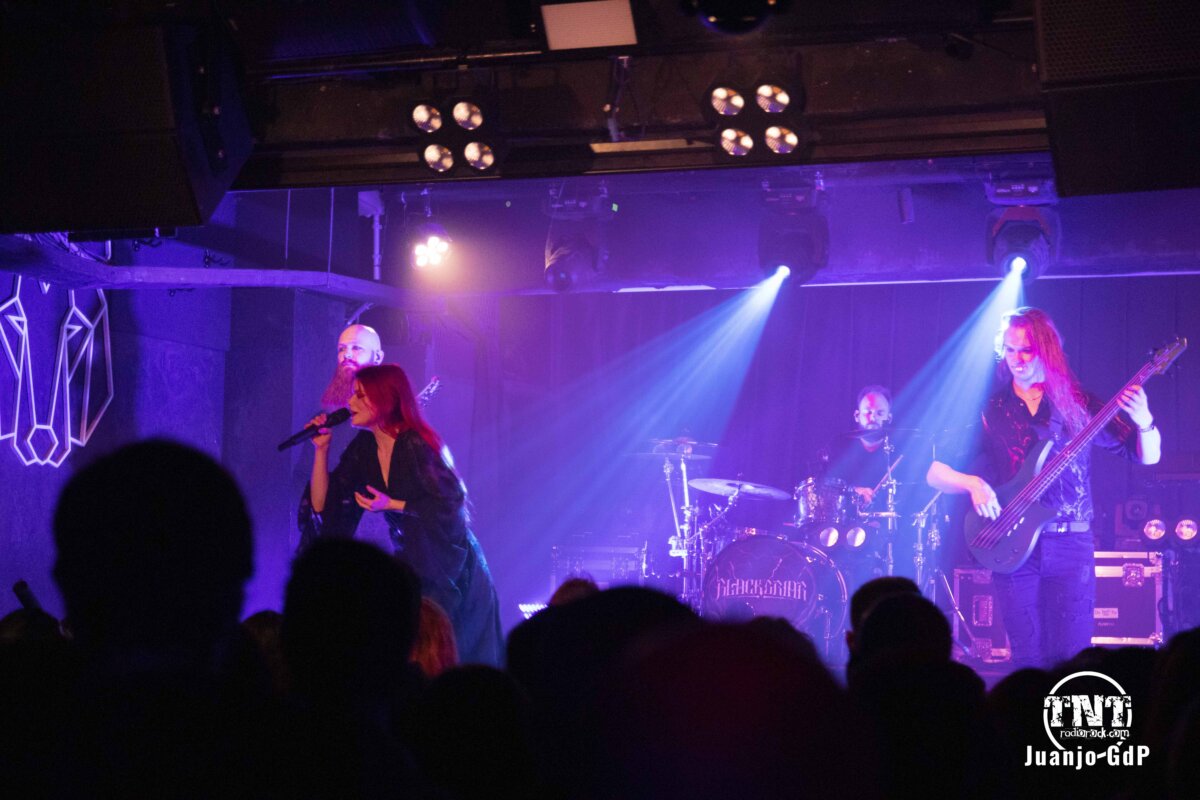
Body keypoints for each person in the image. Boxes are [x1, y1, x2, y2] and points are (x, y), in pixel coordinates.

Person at [927, 307, 1161, 667]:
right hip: (1012, 544)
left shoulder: (1080, 403)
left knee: (1072, 659)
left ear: (1047, 349)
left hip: (1070, 545)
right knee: (1027, 660)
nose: (1017, 359)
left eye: (1026, 350)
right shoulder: (990, 410)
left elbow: (1147, 457)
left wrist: (1144, 421)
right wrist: (972, 483)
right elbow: (934, 472)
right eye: (1009, 350)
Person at [298, 363, 503, 666]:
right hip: (413, 559)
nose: (350, 402)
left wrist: (393, 504)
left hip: (450, 563)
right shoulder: (364, 448)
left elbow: (451, 503)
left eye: (360, 395)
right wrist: (321, 451)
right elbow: (323, 507)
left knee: (449, 653)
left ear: (386, 399)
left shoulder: (416, 443)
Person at [320, 323, 384, 411]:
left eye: (356, 348)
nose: (347, 355)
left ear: (377, 357)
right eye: (342, 349)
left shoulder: (387, 405)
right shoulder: (331, 407)